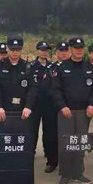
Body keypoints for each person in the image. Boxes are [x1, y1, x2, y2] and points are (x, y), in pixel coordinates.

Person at [50, 37, 93, 184]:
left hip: (84, 112)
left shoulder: (90, 68)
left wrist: (92, 104)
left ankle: (78, 173)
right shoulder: (61, 68)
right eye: (76, 48)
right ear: (70, 50)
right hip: (66, 112)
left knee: (80, 143)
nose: (79, 51)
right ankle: (65, 174)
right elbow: (56, 90)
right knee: (66, 143)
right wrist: (62, 106)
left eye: (81, 48)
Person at [0, 37, 36, 184]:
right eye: (12, 49)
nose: (15, 52)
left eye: (18, 49)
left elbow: (33, 89)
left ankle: (20, 178)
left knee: (20, 146)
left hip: (22, 114)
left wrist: (29, 106)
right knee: (1, 146)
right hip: (4, 113)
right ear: (7, 49)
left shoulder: (28, 67)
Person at [30, 41, 58, 173]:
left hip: (49, 105)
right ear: (37, 51)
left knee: (50, 133)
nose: (44, 52)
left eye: (46, 50)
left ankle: (51, 161)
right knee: (32, 132)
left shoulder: (53, 67)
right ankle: (29, 154)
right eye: (42, 50)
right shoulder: (30, 67)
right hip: (35, 104)